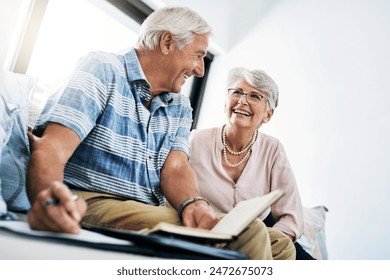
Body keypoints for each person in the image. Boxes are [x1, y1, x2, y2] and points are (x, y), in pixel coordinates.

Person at [26, 7, 295, 260]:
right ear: (167, 43)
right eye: (198, 54)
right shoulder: (104, 68)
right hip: (93, 199)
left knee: (280, 244)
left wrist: (193, 204)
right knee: (250, 233)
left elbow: (176, 167)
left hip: (147, 209)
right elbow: (53, 147)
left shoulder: (179, 105)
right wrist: (48, 198)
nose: (200, 69)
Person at [189, 67, 315, 259]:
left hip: (258, 232)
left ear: (268, 114)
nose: (242, 100)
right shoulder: (196, 140)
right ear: (225, 103)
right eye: (237, 92)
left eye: (255, 96)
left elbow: (291, 215)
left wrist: (266, 246)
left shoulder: (273, 149)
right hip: (205, 231)